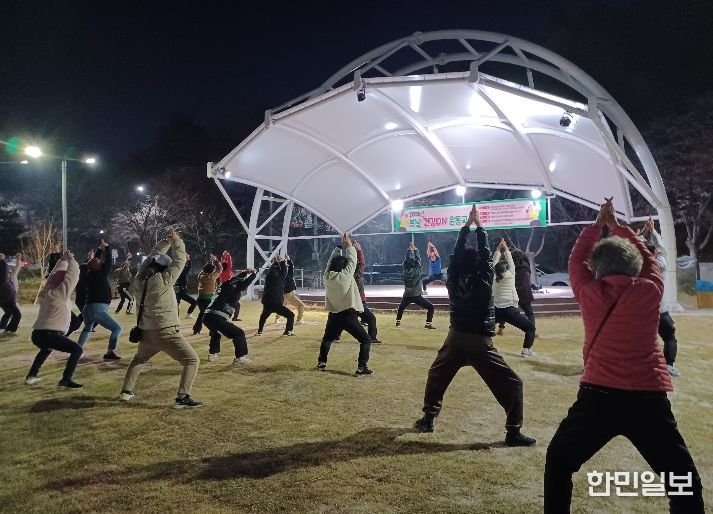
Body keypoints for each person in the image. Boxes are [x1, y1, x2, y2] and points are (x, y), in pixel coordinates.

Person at [544, 199, 703, 513]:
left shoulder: (589, 292)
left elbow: (576, 260)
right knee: (683, 480)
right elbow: (651, 260)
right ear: (635, 267)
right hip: (648, 398)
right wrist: (620, 228)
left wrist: (597, 227)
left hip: (598, 396)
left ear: (597, 268)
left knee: (559, 461)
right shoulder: (651, 290)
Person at [414, 205, 535, 447]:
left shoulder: (452, 280)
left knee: (436, 376)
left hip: (455, 338)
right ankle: (513, 432)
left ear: (456, 264)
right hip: (479, 342)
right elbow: (485, 252)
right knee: (513, 384)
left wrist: (466, 227)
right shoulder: (484, 278)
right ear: (481, 264)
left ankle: (428, 419)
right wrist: (478, 226)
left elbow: (457, 253)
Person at [120, 228, 202, 409]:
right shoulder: (164, 280)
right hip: (166, 331)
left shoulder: (138, 279)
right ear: (164, 268)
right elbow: (180, 261)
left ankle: (126, 391)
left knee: (138, 360)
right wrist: (176, 241)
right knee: (192, 361)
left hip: (146, 332)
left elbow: (152, 256)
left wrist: (166, 242)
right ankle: (183, 397)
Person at [25, 251, 84, 388]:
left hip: (37, 334)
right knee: (77, 350)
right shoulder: (60, 294)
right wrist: (71, 259)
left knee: (46, 349)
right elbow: (73, 275)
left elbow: (53, 275)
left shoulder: (47, 292)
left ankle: (32, 375)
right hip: (50, 334)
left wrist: (62, 260)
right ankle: (66, 379)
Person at [317, 233, 374, 376]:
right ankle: (361, 367)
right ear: (344, 267)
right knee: (366, 340)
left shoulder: (327, 277)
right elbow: (353, 261)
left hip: (333, 315)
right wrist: (349, 245)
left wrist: (338, 247)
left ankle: (322, 362)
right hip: (348, 315)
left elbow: (330, 263)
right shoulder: (346, 275)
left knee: (327, 339)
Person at [641, 218, 681, 377]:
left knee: (641, 340)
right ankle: (669, 365)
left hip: (642, 312)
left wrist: (643, 233)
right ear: (654, 253)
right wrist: (653, 231)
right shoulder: (660, 265)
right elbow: (663, 249)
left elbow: (633, 246)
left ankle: (642, 365)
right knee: (670, 338)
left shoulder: (637, 267)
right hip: (661, 310)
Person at [76, 239, 122, 360]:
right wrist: (106, 247)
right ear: (99, 266)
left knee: (87, 329)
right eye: (100, 262)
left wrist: (100, 249)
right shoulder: (101, 273)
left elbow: (94, 262)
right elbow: (108, 262)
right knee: (117, 328)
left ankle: (77, 350)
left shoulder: (89, 274)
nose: (102, 262)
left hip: (87, 308)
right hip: (98, 309)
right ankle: (110, 352)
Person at [492, 239, 537, 357]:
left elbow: (494, 262)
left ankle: (480, 347)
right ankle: (526, 350)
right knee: (530, 328)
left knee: (482, 329)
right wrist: (505, 248)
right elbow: (511, 262)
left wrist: (498, 250)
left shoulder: (493, 276)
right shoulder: (511, 274)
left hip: (495, 311)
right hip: (509, 311)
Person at [203, 268, 257, 363]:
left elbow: (236, 279)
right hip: (217, 317)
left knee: (216, 332)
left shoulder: (227, 284)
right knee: (239, 333)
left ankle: (212, 354)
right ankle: (239, 358)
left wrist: (245, 273)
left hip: (207, 316)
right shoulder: (237, 288)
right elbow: (246, 283)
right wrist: (254, 274)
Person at [497, 246, 536, 337]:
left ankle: (501, 329)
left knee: (504, 310)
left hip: (511, 293)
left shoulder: (507, 266)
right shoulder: (525, 267)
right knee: (529, 313)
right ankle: (531, 331)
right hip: (524, 293)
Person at [396, 242, 435, 329]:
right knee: (431, 307)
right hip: (416, 295)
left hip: (407, 294)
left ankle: (398, 321)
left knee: (401, 307)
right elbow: (418, 260)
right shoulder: (417, 270)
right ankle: (428, 323)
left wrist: (409, 251)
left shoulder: (405, 271)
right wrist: (415, 250)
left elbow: (406, 260)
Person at [257, 256, 295, 336]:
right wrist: (282, 262)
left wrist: (276, 262)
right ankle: (288, 331)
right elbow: (284, 271)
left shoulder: (268, 278)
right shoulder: (280, 278)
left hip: (267, 302)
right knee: (291, 315)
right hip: (277, 303)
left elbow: (274, 269)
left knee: (263, 317)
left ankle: (259, 331)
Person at [354, 241, 380, 343]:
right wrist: (359, 250)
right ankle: (372, 337)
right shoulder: (356, 275)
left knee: (344, 320)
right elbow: (361, 263)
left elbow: (359, 263)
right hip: (357, 302)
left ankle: (335, 336)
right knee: (371, 318)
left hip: (355, 301)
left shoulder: (346, 275)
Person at [67, 249, 96, 336]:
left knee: (87, 315)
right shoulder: (83, 269)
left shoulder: (87, 274)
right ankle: (69, 330)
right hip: (82, 299)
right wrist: (90, 259)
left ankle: (88, 327)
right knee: (87, 315)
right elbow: (87, 266)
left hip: (84, 298)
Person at [192, 255, 222, 335]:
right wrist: (215, 261)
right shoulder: (212, 276)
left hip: (200, 299)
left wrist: (210, 262)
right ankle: (214, 330)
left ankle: (196, 329)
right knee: (211, 315)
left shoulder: (201, 276)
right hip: (207, 299)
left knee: (202, 314)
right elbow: (220, 269)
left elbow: (204, 270)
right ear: (212, 271)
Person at [274, 255, 305, 325]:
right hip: (289, 294)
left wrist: (279, 261)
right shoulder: (288, 275)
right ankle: (299, 320)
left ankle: (276, 319)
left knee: (282, 305)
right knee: (301, 305)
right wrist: (288, 259)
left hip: (282, 294)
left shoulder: (277, 274)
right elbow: (291, 267)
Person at [0, 254, 21, 337]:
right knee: (17, 314)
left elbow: (17, 268)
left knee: (8, 313)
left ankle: (3, 327)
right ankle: (10, 330)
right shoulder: (4, 278)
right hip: (7, 297)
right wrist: (2, 260)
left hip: (7, 297)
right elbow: (4, 268)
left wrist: (18, 259)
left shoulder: (10, 276)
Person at [175, 255, 197, 319]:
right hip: (180, 290)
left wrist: (188, 259)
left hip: (179, 290)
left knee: (176, 304)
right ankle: (187, 315)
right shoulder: (181, 271)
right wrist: (188, 258)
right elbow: (189, 266)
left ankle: (178, 317)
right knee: (194, 302)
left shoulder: (179, 271)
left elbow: (189, 266)